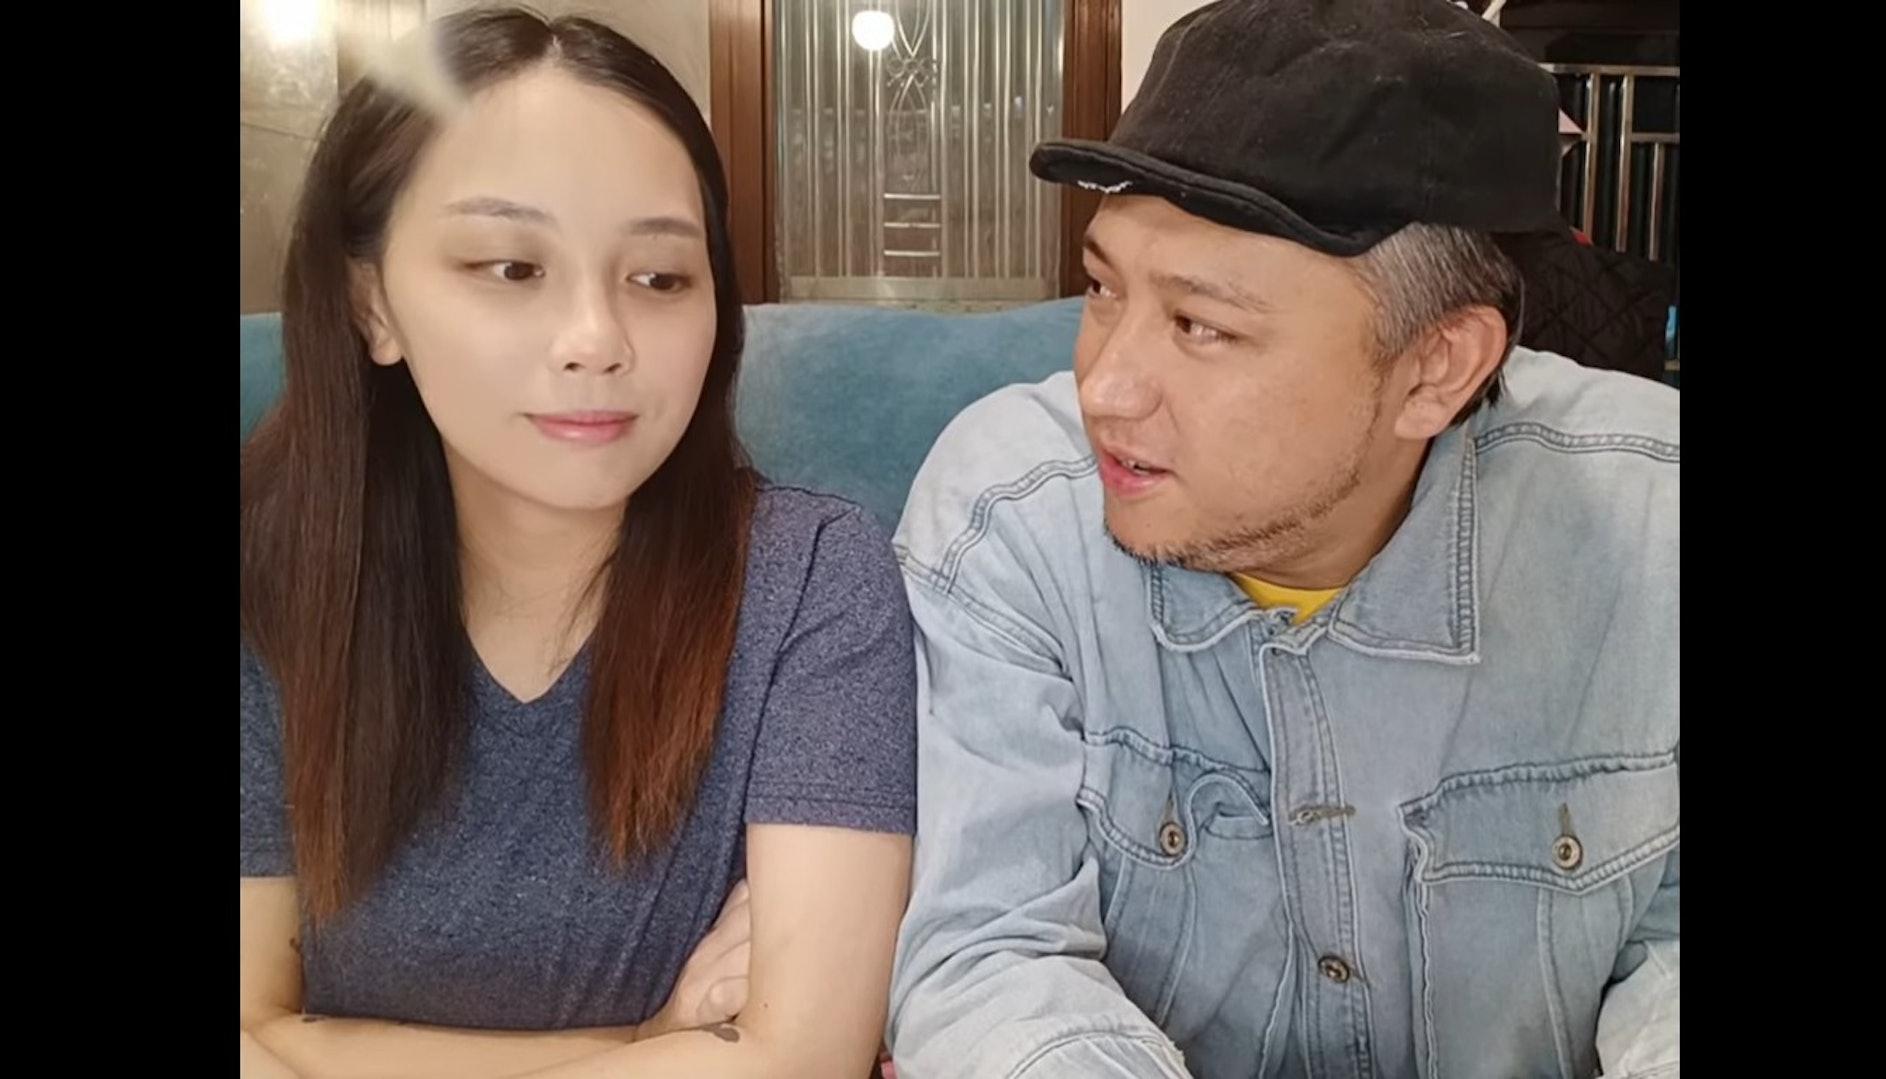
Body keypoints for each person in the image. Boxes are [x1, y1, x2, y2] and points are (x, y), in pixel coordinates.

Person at [886, 2, 1678, 1076]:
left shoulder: (1650, 529)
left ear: (1437, 368)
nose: (1104, 387)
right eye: (1103, 288)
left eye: (1201, 325)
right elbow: (991, 953)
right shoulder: (1015, 515)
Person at [239, 10, 914, 1078]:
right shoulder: (267, 588)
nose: (596, 340)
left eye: (660, 277)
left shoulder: (812, 582)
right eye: (512, 267)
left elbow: (803, 1055)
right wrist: (648, 1045)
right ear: (373, 305)